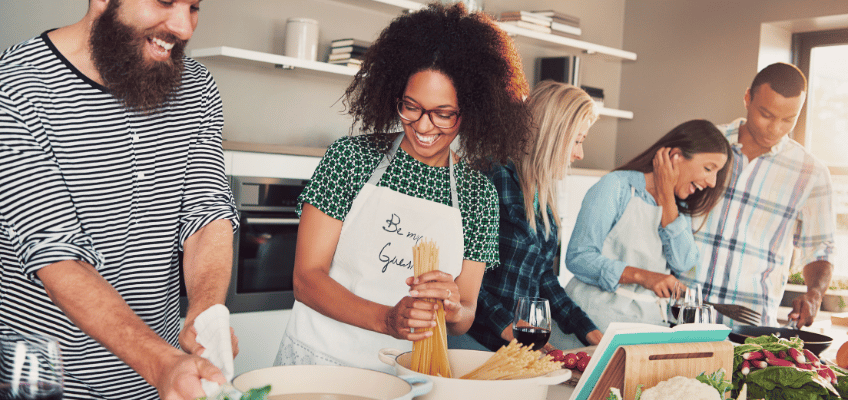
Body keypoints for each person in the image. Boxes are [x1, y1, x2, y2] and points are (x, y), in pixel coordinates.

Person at [274, 2, 531, 373]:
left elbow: (466, 314)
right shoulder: (350, 159)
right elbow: (306, 278)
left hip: (407, 374)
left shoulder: (478, 195)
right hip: (319, 362)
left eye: (443, 113)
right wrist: (386, 319)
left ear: (471, 111)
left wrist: (453, 307)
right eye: (411, 107)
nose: (423, 126)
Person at [0, 1, 239, 399]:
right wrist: (161, 363)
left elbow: (207, 213)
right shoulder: (14, 87)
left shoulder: (196, 87)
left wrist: (205, 315)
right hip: (48, 382)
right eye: (165, 1)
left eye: (194, 7)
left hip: (162, 381)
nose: (184, 27)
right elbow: (57, 255)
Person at [679, 63, 836, 328]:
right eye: (766, 114)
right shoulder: (701, 144)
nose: (775, 128)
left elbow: (820, 248)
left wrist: (814, 294)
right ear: (747, 98)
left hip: (749, 328)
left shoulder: (811, 173)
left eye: (788, 119)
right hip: (678, 313)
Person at [465, 81, 603, 352]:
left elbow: (543, 277)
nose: (580, 153)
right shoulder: (492, 177)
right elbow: (464, 278)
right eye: (577, 141)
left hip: (515, 347)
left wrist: (589, 330)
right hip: (477, 342)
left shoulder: (542, 195)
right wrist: (511, 329)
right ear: (552, 134)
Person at [565, 120, 732, 332]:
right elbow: (578, 257)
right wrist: (644, 277)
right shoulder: (616, 186)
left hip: (646, 327)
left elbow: (684, 262)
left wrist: (666, 197)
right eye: (709, 169)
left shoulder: (678, 208)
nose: (712, 182)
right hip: (591, 324)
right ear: (675, 156)